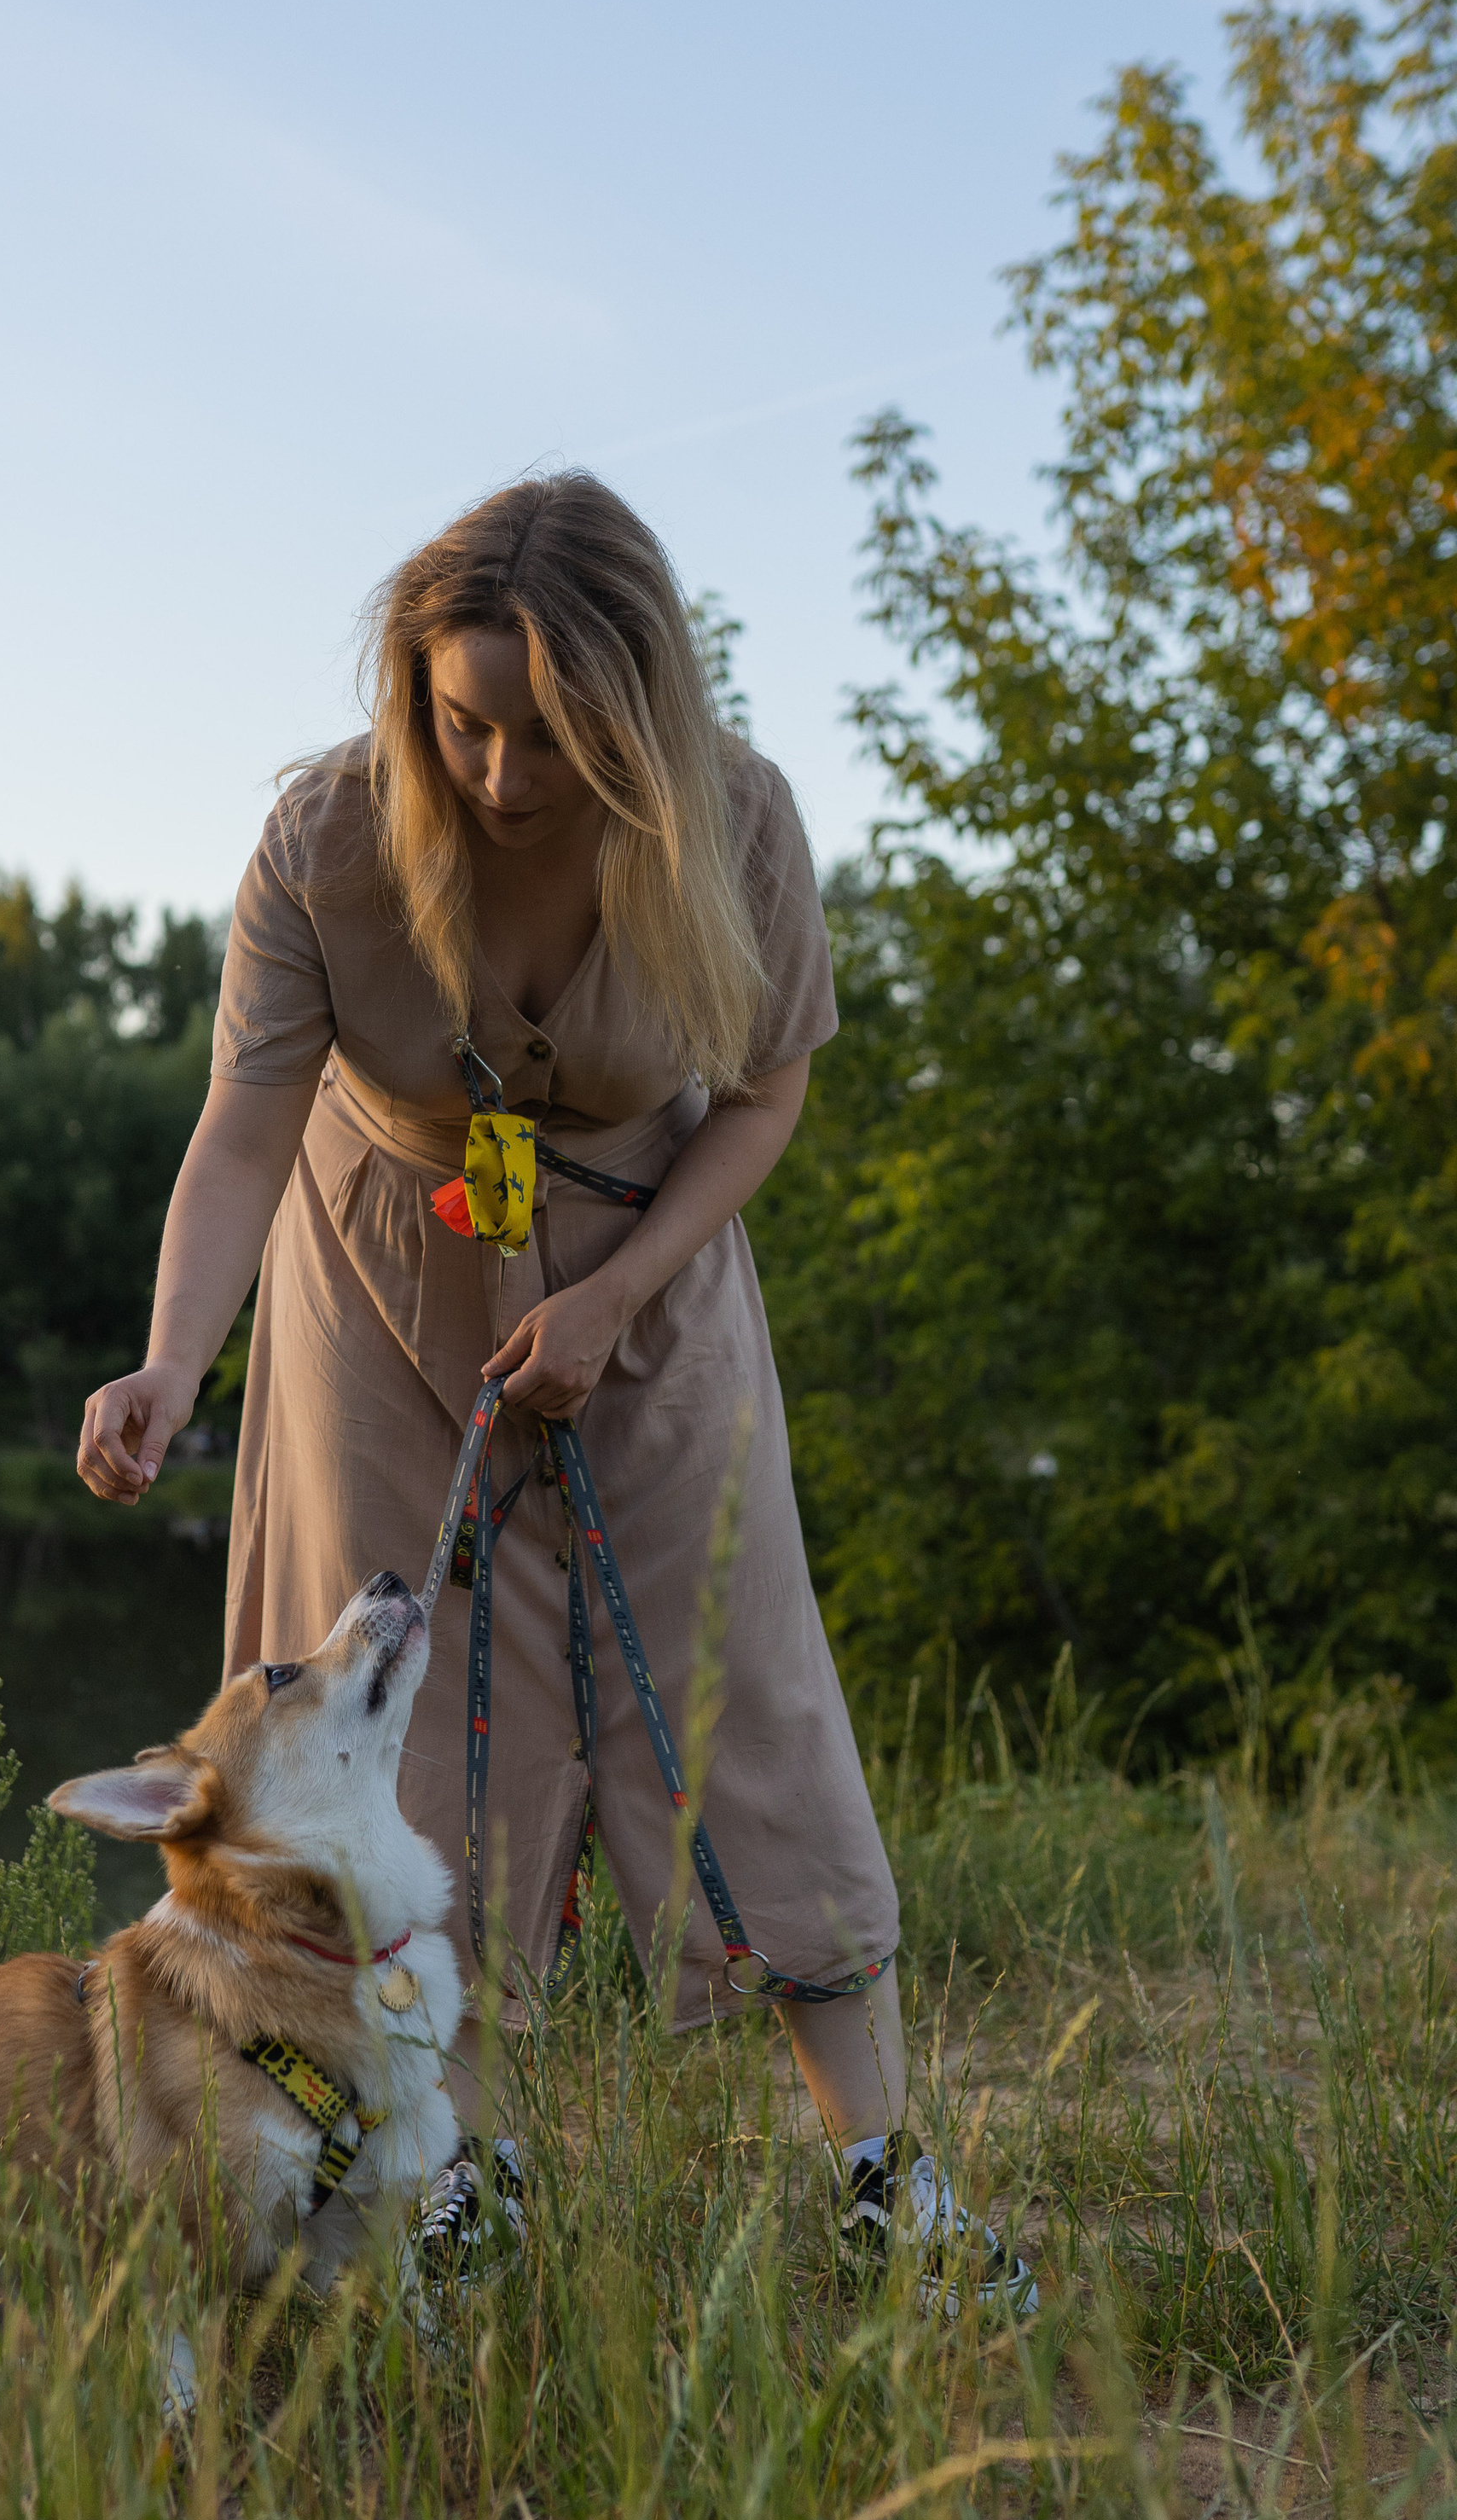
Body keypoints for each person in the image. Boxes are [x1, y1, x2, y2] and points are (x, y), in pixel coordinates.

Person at [79, 474, 1033, 2312]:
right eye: (466, 724)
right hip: (377, 1292)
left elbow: (763, 1095)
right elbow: (244, 1127)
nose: (505, 773)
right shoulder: (324, 839)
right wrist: (171, 1356)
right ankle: (466, 2174)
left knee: (737, 1695)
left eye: (554, 733)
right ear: (410, 692)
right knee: (404, 1732)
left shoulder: (735, 822)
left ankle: (880, 2181)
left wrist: (615, 1291)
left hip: (648, 1285)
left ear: (638, 711)